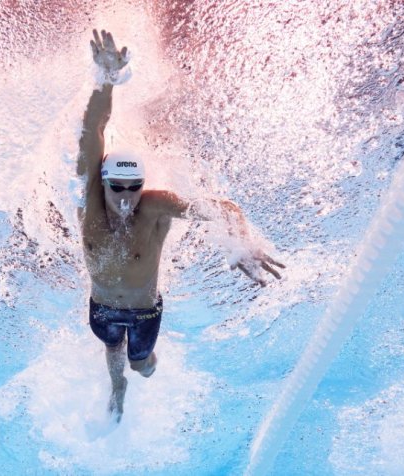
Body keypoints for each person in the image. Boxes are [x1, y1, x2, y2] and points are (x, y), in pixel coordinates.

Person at [77, 29, 285, 423]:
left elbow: (221, 208)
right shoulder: (89, 201)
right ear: (102, 182)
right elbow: (92, 134)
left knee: (142, 367)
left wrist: (243, 244)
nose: (125, 196)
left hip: (142, 314)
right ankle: (116, 387)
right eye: (116, 187)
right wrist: (105, 81)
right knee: (111, 352)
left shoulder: (154, 207)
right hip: (102, 309)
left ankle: (137, 372)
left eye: (133, 187)